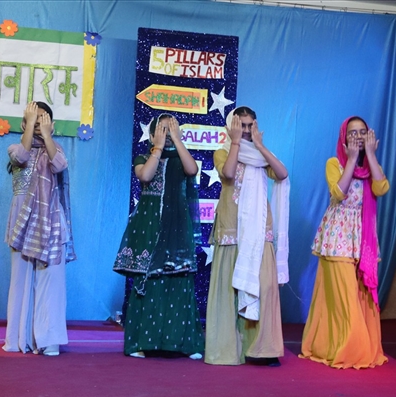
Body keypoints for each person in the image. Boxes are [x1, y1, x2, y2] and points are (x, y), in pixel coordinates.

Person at [300, 116, 389, 369]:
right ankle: (351, 349)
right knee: (344, 297)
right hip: (338, 236)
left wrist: (370, 155)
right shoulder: (334, 163)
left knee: (360, 296)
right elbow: (338, 193)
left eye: (362, 132)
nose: (358, 137)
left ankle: (345, 346)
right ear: (344, 137)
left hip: (363, 237)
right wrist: (351, 160)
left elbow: (381, 188)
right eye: (352, 133)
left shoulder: (371, 166)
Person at [113, 113, 204, 359]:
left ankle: (182, 344)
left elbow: (192, 169)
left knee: (178, 280)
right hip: (150, 227)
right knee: (148, 281)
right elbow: (145, 175)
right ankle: (140, 343)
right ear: (152, 134)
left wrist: (177, 140)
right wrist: (159, 147)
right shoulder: (144, 157)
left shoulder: (181, 159)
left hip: (177, 228)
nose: (167, 134)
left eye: (171, 129)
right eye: (162, 130)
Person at [204, 106, 290, 366]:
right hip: (232, 227)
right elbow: (229, 173)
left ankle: (263, 349)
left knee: (264, 287)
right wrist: (235, 143)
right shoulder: (222, 151)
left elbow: (282, 173)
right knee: (229, 291)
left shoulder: (261, 156)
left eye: (249, 125)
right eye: (240, 125)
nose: (245, 130)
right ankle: (228, 350)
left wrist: (260, 146)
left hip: (259, 228)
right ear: (231, 126)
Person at [3, 102, 75, 357]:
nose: (36, 124)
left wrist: (46, 136)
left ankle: (48, 340)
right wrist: (31, 126)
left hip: (51, 223)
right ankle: (20, 339)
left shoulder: (56, 150)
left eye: (42, 119)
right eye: (32, 119)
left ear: (51, 125)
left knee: (52, 282)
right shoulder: (15, 148)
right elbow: (21, 157)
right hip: (21, 223)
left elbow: (59, 165)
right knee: (20, 282)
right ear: (23, 124)